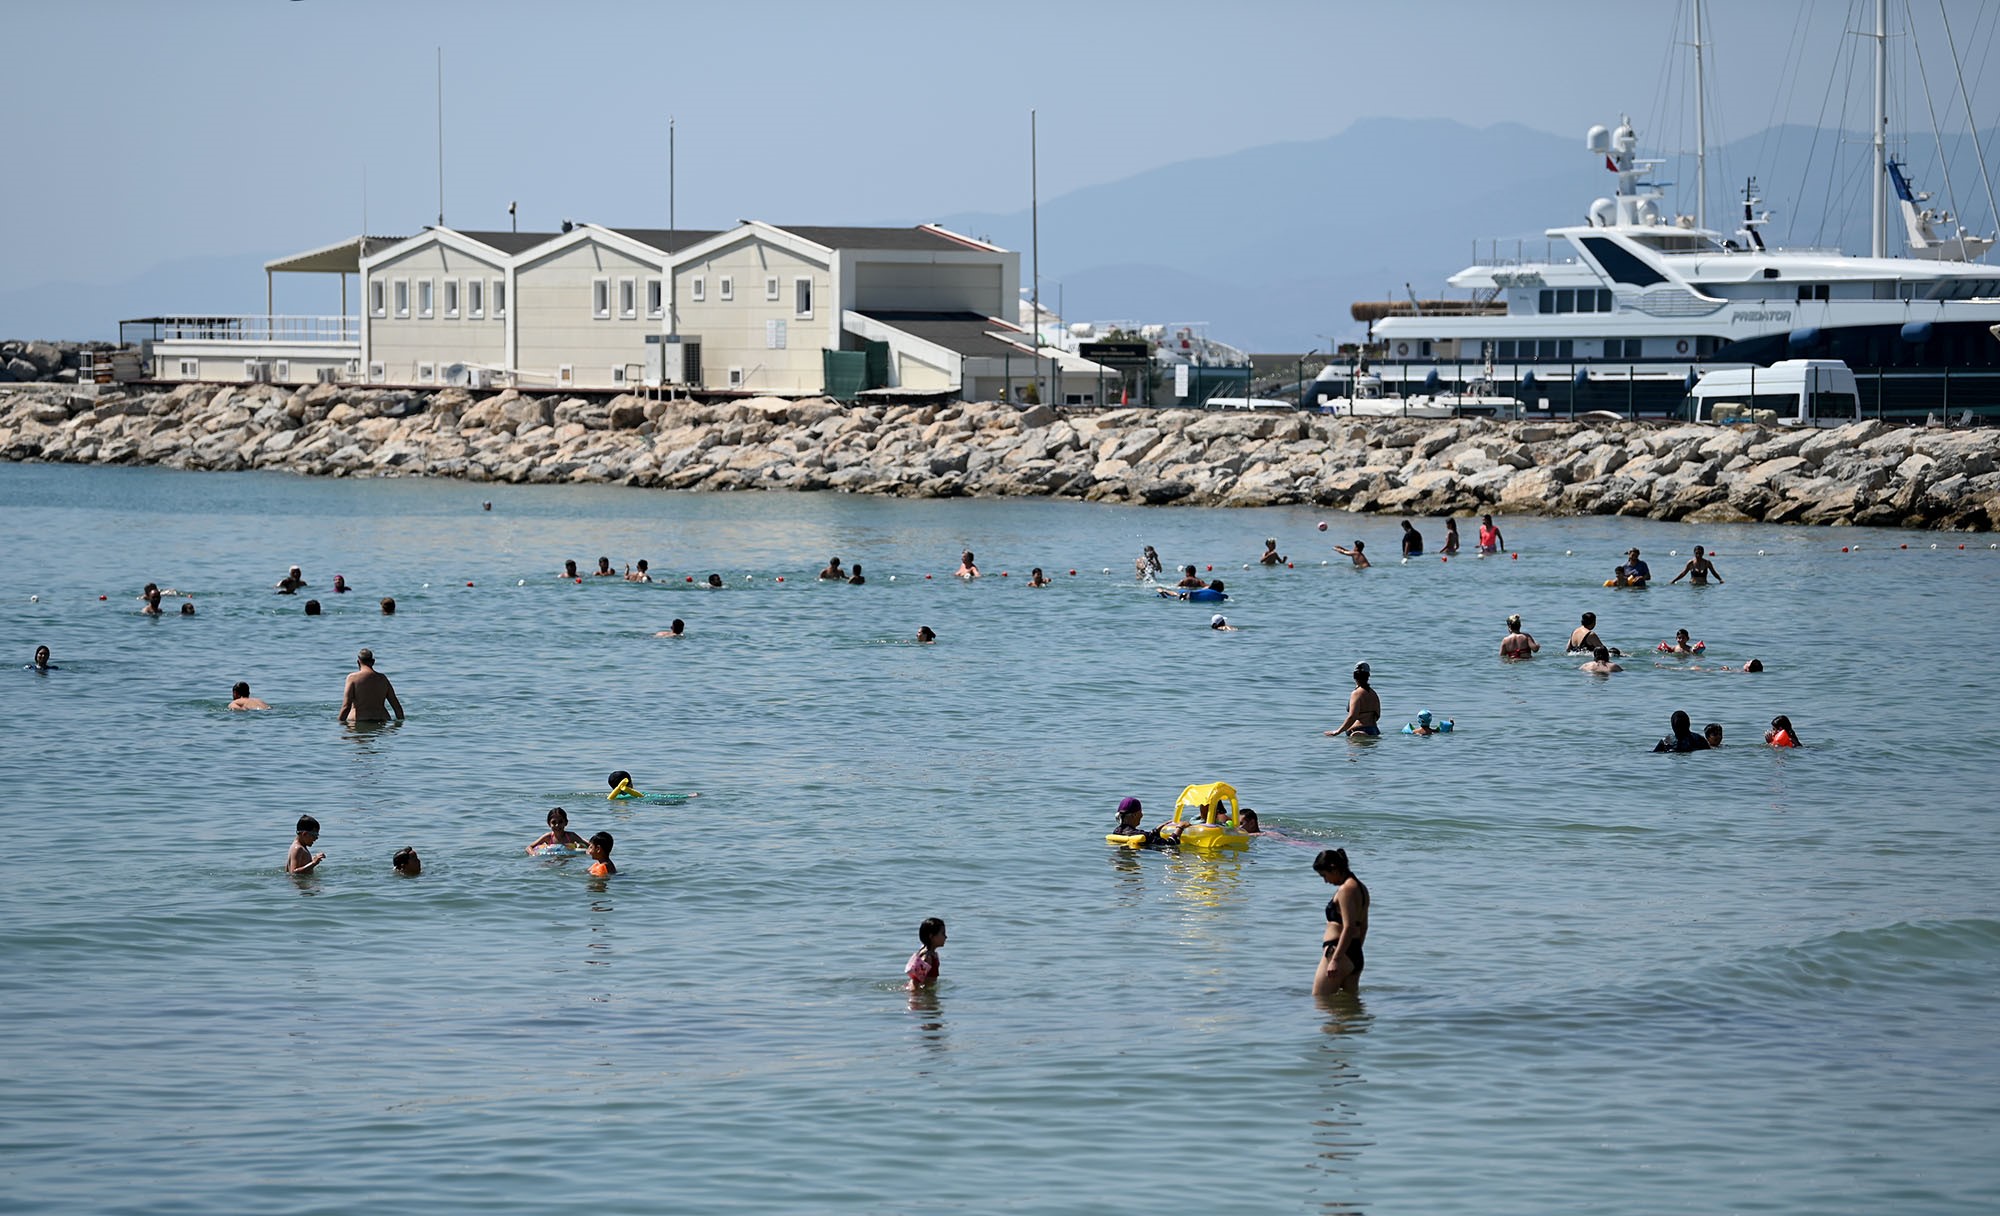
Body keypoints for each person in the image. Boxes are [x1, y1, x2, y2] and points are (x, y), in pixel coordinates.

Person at [1312, 848, 1369, 997]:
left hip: (1338, 953)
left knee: (1320, 1001)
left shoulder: (1346, 890)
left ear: (1334, 868)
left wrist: (1336, 959)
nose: (1325, 881)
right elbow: (1363, 926)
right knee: (1349, 1007)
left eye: (1324, 875)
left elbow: (1349, 927)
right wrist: (1355, 954)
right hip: (1354, 954)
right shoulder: (1361, 888)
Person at [338, 648, 404, 723]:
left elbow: (346, 706)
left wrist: (339, 724)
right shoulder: (383, 679)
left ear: (358, 662)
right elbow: (397, 707)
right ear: (373, 662)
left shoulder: (353, 678)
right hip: (381, 720)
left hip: (359, 721)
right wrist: (400, 724)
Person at [1326, 662, 1382, 736]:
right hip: (1374, 730)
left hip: (1359, 730)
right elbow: (1377, 716)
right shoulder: (1374, 694)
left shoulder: (1356, 693)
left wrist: (1337, 732)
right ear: (1368, 676)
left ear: (1354, 676)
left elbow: (1352, 716)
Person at [906, 918, 946, 989]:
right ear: (931, 936)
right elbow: (916, 981)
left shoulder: (930, 953)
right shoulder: (927, 957)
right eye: (943, 933)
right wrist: (915, 995)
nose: (946, 937)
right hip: (923, 991)